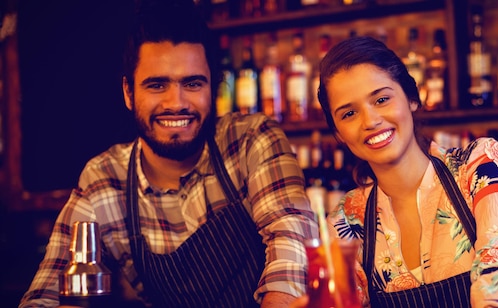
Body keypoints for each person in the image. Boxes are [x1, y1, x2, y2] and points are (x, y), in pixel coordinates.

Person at [19, 1, 318, 307]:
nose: (176, 102)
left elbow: (291, 240)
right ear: (128, 92)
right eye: (157, 85)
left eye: (192, 83)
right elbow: (46, 291)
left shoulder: (251, 140)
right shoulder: (105, 179)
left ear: (212, 89)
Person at [294, 36, 498, 307]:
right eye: (349, 114)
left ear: (412, 98)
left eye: (381, 99)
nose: (371, 121)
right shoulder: (345, 222)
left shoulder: (479, 164)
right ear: (338, 133)